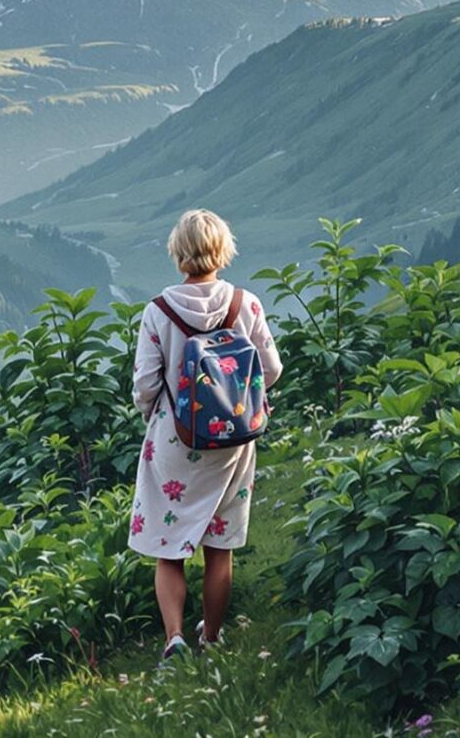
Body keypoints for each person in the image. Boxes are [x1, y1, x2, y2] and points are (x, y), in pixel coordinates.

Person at [127, 208, 282, 664]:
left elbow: (145, 386)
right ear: (222, 250)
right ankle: (211, 637)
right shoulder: (246, 303)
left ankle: (173, 637)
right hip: (233, 441)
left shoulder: (157, 312)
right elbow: (270, 370)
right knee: (220, 547)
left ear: (179, 253)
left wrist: (154, 415)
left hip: (175, 442)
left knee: (167, 546)